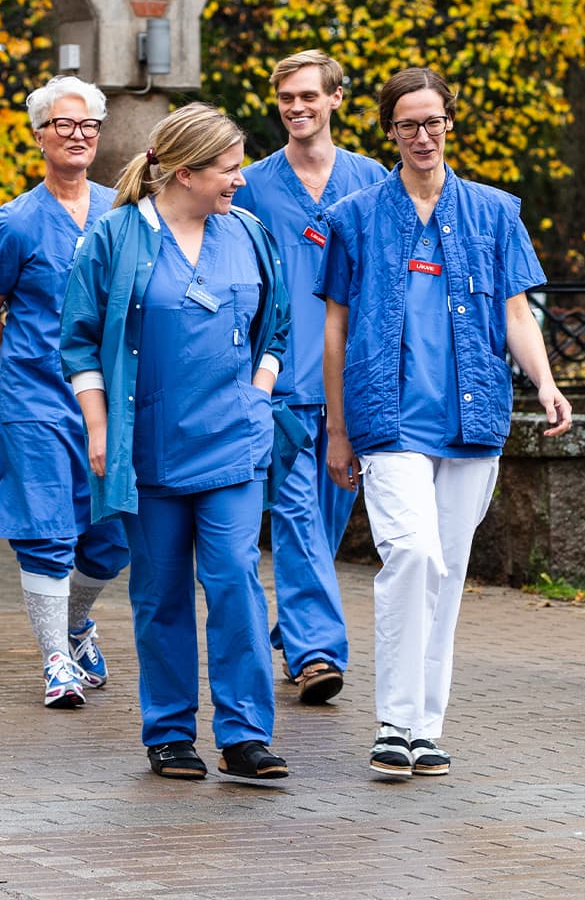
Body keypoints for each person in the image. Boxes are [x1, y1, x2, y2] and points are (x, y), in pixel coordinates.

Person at [318, 67, 572, 779]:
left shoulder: (495, 213)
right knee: (414, 555)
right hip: (386, 418)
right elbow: (335, 329)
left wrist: (545, 382)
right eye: (407, 125)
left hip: (472, 417)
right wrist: (337, 427)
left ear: (449, 124)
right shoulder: (356, 217)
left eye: (432, 122)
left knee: (448, 571)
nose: (421, 136)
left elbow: (516, 313)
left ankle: (425, 729)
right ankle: (394, 722)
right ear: (390, 132)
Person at [60, 103, 296, 782]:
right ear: (186, 172)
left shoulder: (248, 234)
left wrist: (259, 388)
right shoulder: (117, 236)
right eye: (228, 169)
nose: (241, 181)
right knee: (160, 592)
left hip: (233, 445)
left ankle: (245, 734)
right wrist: (99, 425)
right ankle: (168, 734)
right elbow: (76, 340)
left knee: (234, 582)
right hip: (148, 445)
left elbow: (276, 325)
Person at [231, 50, 388, 706]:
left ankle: (294, 628)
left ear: (335, 99)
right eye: (286, 98)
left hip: (351, 389)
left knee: (323, 525)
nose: (296, 108)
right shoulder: (253, 185)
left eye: (308, 97)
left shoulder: (374, 180)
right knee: (295, 514)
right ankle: (318, 650)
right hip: (283, 385)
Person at [0, 76, 129, 710]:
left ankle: (77, 620)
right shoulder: (13, 224)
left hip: (109, 402)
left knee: (111, 535)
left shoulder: (124, 213)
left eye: (88, 124)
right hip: (33, 400)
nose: (78, 135)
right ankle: (56, 660)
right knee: (45, 530)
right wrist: (21, 368)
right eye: (64, 124)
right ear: (39, 136)